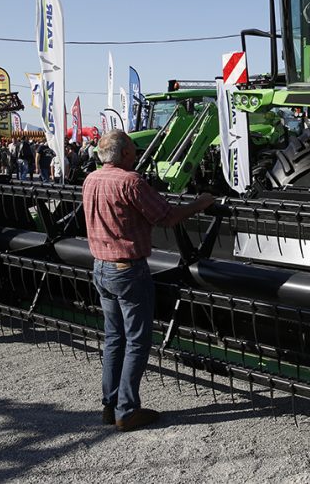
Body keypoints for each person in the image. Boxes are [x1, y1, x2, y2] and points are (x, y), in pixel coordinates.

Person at [83, 130, 214, 431]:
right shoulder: (131, 182)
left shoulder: (91, 179)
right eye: (133, 148)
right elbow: (167, 217)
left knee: (114, 338)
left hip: (100, 268)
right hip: (128, 271)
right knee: (137, 340)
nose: (137, 153)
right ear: (124, 154)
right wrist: (201, 203)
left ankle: (110, 405)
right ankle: (127, 411)